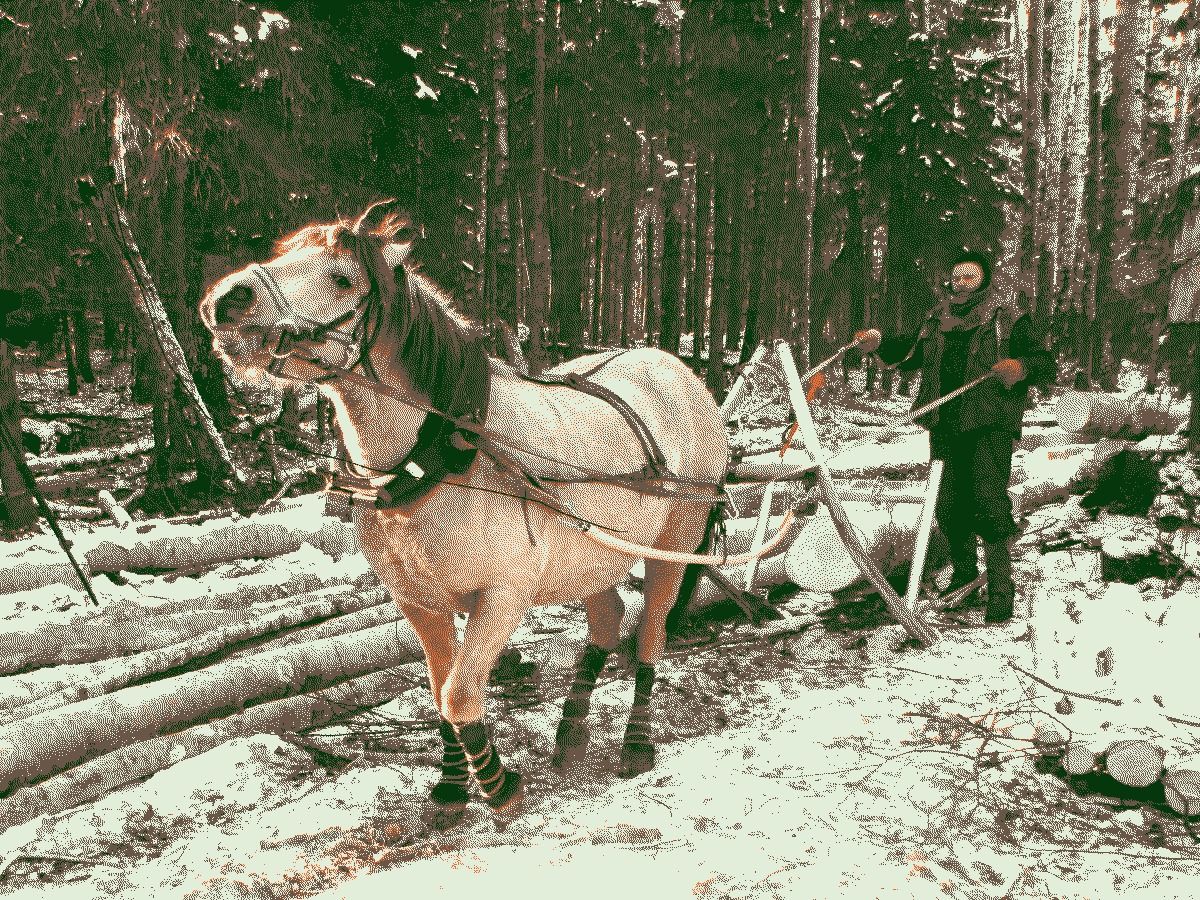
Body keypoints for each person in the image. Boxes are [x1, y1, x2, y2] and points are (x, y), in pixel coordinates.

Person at [852, 251, 1056, 624]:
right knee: (947, 506)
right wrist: (877, 343)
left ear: (984, 280)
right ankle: (964, 577)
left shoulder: (1007, 319)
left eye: (970, 277)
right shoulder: (937, 318)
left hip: (989, 424)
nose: (961, 283)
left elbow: (1045, 361)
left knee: (988, 503)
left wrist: (1020, 367)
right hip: (945, 424)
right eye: (956, 277)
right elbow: (909, 352)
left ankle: (1000, 593)